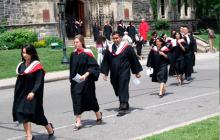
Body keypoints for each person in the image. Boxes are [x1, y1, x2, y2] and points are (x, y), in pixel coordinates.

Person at [12, 44, 54, 140]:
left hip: (33, 94)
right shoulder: (21, 65)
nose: (24, 54)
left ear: (31, 53)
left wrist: (33, 92)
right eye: (23, 52)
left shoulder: (36, 66)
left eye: (26, 52)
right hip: (22, 94)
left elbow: (39, 81)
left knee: (37, 115)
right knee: (22, 113)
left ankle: (49, 127)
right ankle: (29, 136)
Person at [101, 31, 143, 116]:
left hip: (124, 71)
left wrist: (136, 72)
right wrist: (105, 73)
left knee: (123, 86)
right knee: (115, 85)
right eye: (114, 38)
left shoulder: (127, 47)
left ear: (120, 37)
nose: (115, 40)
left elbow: (133, 60)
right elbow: (106, 61)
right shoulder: (109, 49)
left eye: (117, 38)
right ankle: (125, 102)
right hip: (114, 73)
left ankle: (123, 106)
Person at [69, 34, 102, 131]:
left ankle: (98, 114)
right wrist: (72, 79)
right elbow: (72, 69)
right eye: (74, 42)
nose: (75, 44)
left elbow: (94, 67)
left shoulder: (87, 53)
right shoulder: (73, 54)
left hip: (87, 81)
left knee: (91, 99)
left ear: (82, 42)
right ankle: (78, 121)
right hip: (76, 82)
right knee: (77, 100)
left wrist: (85, 75)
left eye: (77, 42)